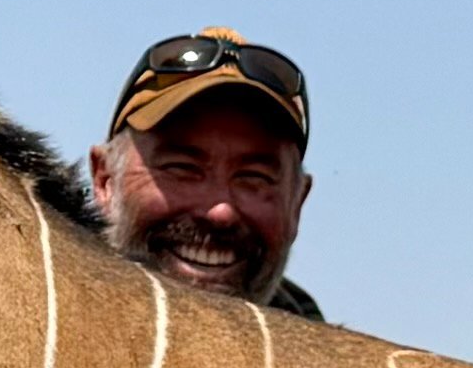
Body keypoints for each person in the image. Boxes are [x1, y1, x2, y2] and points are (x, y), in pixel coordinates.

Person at [89, 31, 321, 316]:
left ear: (296, 204)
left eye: (254, 177)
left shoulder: (344, 361)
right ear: (105, 181)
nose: (220, 212)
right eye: (182, 168)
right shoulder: (33, 333)